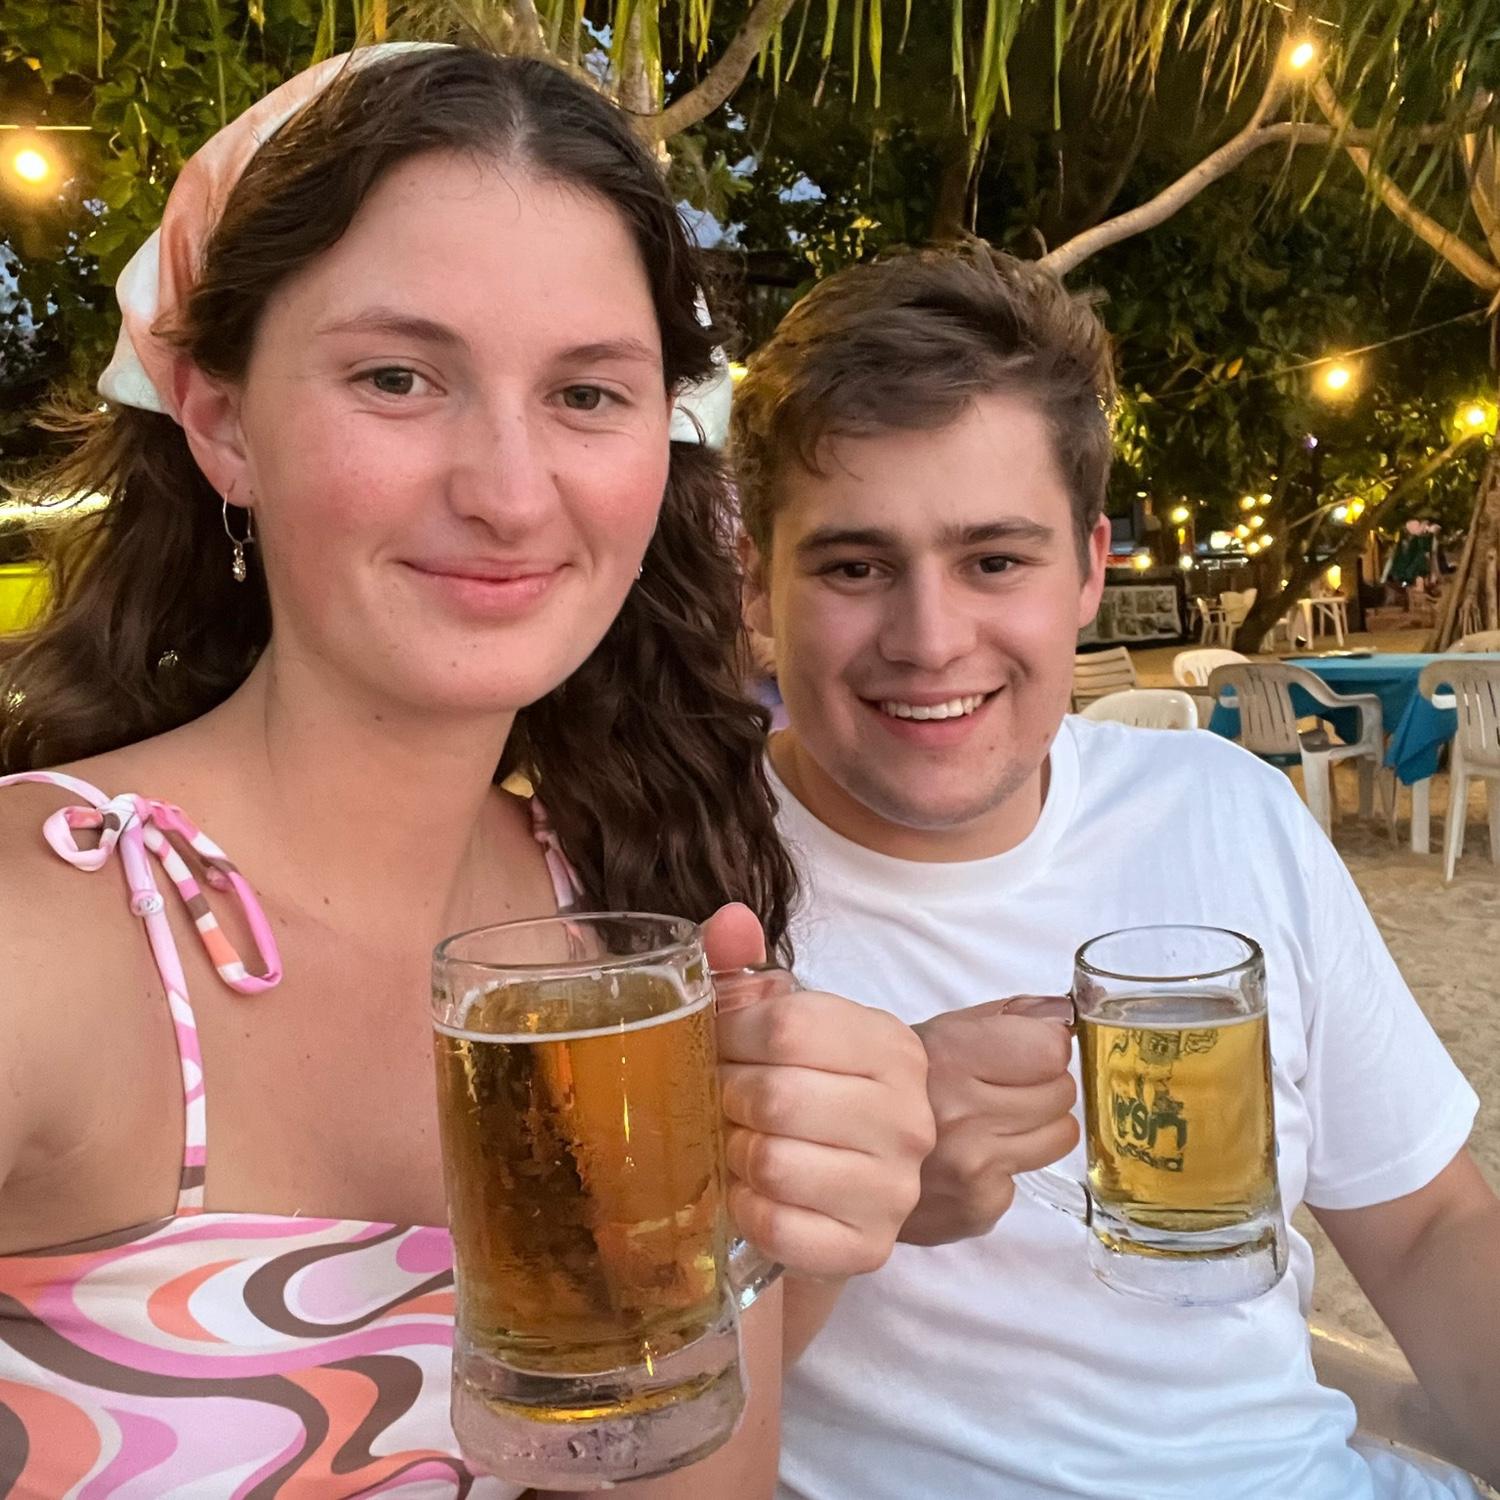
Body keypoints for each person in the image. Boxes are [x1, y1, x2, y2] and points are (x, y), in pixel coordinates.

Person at [0, 45, 936, 1498]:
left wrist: (771, 1244)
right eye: (397, 376)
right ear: (222, 422)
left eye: (587, 394)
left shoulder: (610, 916)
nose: (508, 492)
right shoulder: (40, 934)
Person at [730, 245, 1500, 1499]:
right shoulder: (677, 898)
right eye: (854, 566)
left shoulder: (1225, 808)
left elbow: (1426, 1228)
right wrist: (831, 1229)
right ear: (758, 584)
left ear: (1090, 569)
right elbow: (633, 1421)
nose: (930, 641)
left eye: (995, 561)